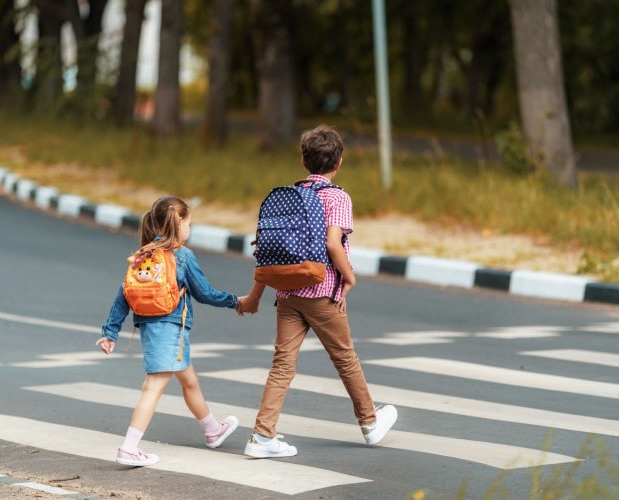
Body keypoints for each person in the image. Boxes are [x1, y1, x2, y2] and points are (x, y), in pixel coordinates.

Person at [237, 125, 397, 458]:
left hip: (288, 293)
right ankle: (370, 423)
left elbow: (270, 253)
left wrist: (255, 296)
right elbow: (332, 243)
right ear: (339, 160)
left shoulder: (288, 195)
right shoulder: (337, 196)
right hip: (324, 293)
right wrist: (349, 277)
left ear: (303, 160)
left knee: (282, 365)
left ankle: (262, 436)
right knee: (345, 359)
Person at [97, 195, 243, 467]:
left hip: (153, 328)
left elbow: (124, 294)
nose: (190, 229)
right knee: (152, 387)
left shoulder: (143, 254)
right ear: (180, 223)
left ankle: (213, 430)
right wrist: (236, 301)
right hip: (170, 328)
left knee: (189, 380)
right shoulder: (183, 256)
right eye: (189, 223)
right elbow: (206, 293)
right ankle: (129, 448)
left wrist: (111, 331)